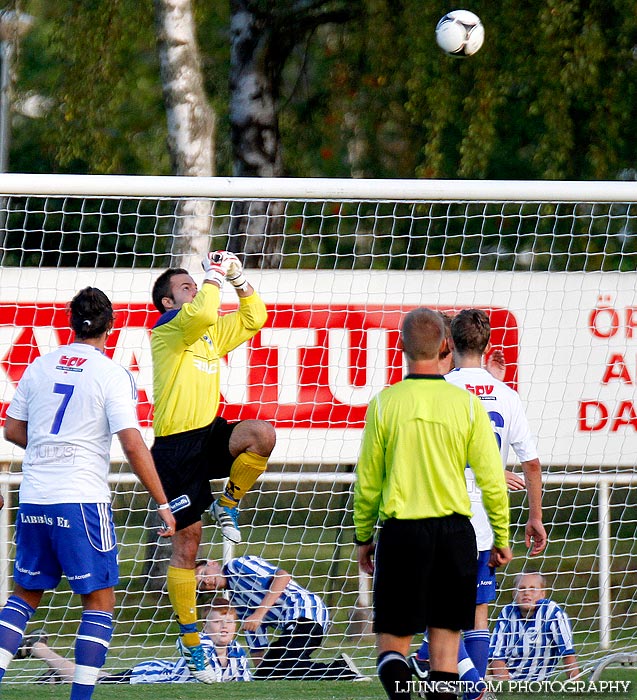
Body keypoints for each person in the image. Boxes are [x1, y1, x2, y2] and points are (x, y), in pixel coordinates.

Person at [0, 286, 176, 700]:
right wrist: (163, 503)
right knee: (98, 601)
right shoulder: (112, 374)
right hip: (80, 498)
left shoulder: (40, 367)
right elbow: (133, 443)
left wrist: (49, 448)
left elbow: (11, 429)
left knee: (24, 597)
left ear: (70, 323)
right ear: (109, 327)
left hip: (36, 497)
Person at [353, 307, 512, 700]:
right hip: (457, 533)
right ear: (445, 345)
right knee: (444, 656)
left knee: (393, 650)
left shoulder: (385, 404)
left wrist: (363, 536)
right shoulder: (466, 405)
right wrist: (503, 535)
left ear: (402, 346)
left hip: (403, 532)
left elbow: (368, 481)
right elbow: (492, 479)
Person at [150, 250, 276, 682]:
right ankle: (190, 642)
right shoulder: (170, 328)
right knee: (188, 544)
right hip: (174, 448)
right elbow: (205, 309)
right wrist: (213, 274)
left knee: (262, 435)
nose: (196, 288)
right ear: (169, 302)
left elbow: (254, 316)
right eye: (185, 286)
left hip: (208, 433)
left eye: (195, 282)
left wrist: (237, 277)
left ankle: (230, 501)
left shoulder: (206, 332)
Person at [412, 308, 547, 696]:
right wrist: (534, 516)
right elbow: (532, 464)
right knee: (475, 616)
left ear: (449, 344)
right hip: (486, 522)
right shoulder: (506, 394)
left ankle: (469, 687)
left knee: (439, 617)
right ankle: (452, 673)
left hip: (441, 515)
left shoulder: (436, 389)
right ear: (488, 346)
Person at [195, 556, 367, 680]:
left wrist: (259, 613)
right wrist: (263, 671)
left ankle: (343, 671)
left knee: (287, 666)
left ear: (212, 563)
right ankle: (338, 668)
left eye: (203, 574)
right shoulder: (236, 600)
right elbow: (255, 638)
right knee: (269, 675)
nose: (206, 582)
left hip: (306, 612)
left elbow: (282, 576)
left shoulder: (237, 565)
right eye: (202, 585)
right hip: (290, 626)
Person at [15, 597, 250, 684]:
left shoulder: (238, 651)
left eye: (229, 622)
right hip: (150, 677)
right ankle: (38, 647)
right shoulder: (199, 641)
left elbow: (244, 683)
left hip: (155, 674)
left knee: (96, 678)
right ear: (205, 626)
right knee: (90, 681)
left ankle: (56, 671)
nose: (224, 627)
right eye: (218, 622)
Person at [489, 572, 580, 681]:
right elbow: (497, 657)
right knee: (479, 670)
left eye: (532, 589)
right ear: (514, 593)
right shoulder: (507, 613)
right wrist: (507, 690)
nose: (526, 593)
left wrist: (577, 687)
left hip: (537, 684)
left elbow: (567, 653)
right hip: (507, 678)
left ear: (542, 594)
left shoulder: (552, 613)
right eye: (522, 588)